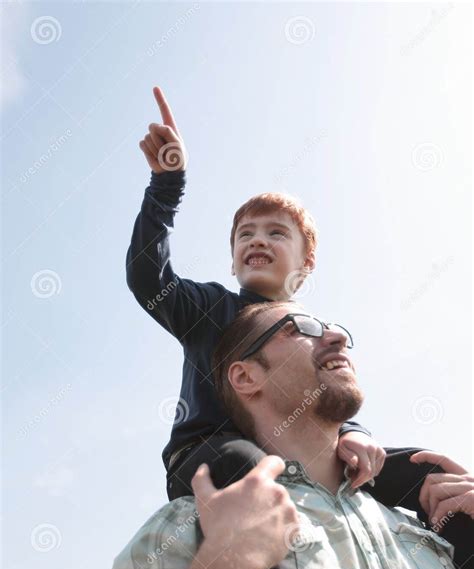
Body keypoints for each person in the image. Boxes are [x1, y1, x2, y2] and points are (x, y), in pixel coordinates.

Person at [103, 302, 473, 569]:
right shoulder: (195, 523)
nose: (338, 337)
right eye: (301, 328)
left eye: (334, 327)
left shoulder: (425, 528)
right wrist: (225, 567)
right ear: (247, 377)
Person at [128, 85, 386, 503]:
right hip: (214, 456)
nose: (257, 241)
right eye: (245, 235)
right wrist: (166, 186)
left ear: (308, 262)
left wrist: (354, 434)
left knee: (422, 470)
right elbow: (147, 278)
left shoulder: (318, 335)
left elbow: (334, 396)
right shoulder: (211, 307)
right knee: (247, 465)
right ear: (233, 263)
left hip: (304, 450)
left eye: (276, 233)